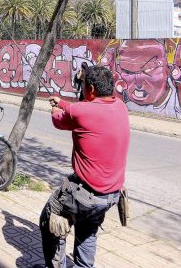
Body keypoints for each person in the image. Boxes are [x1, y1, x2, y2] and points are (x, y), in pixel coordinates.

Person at [39, 65, 130, 268]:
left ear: (89, 89)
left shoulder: (80, 111)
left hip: (86, 193)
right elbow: (84, 109)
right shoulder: (121, 107)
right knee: (87, 231)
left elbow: (58, 120)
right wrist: (62, 102)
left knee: (50, 220)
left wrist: (55, 107)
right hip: (111, 194)